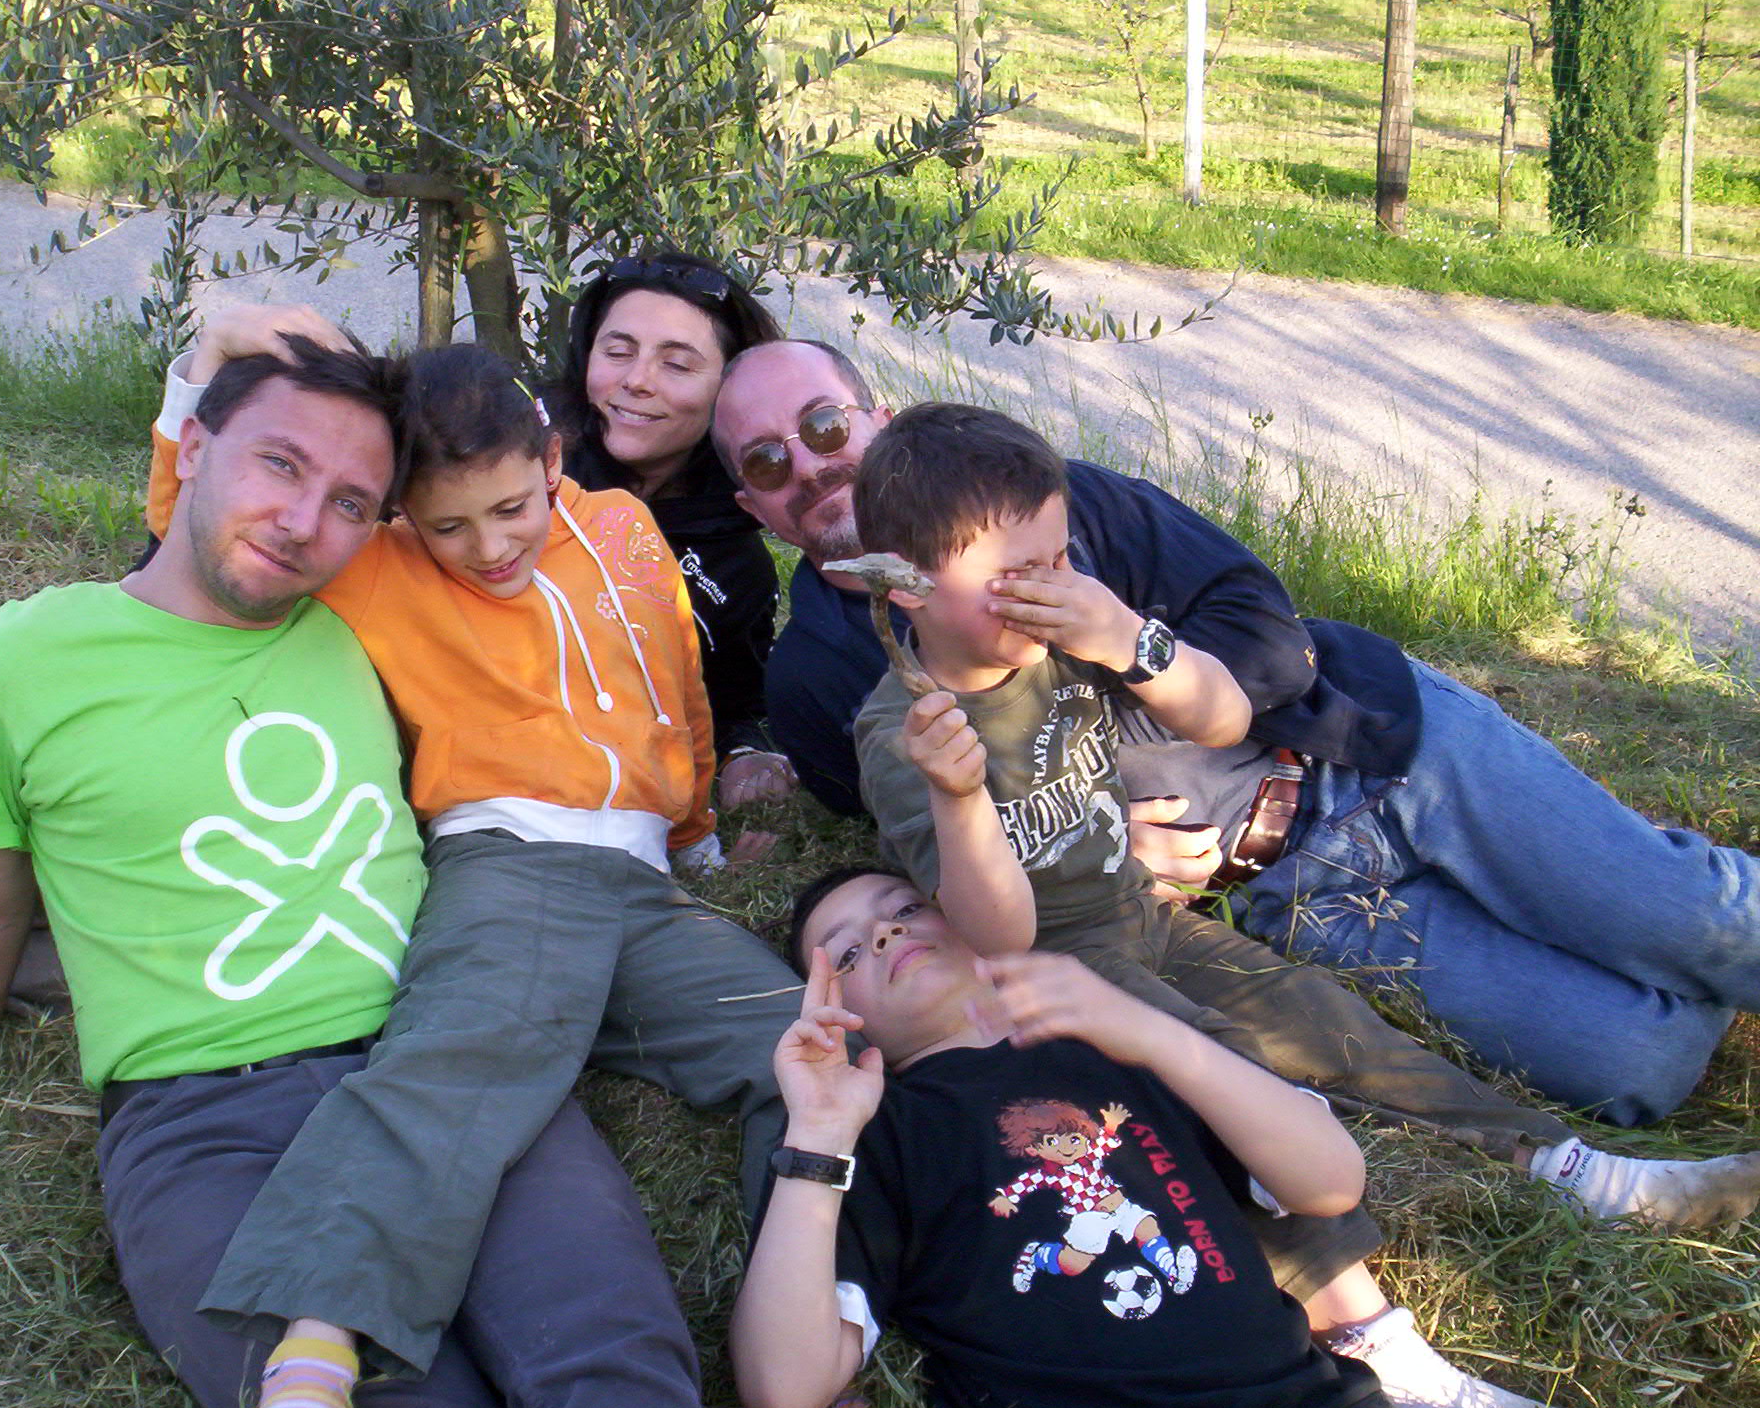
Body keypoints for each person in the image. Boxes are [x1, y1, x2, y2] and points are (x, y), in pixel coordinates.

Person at [0, 333, 726, 1408]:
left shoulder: (365, 623)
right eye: (280, 464)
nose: (303, 521)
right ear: (193, 444)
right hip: (202, 1120)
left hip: (438, 1056)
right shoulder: (9, 665)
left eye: (350, 501)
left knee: (623, 1387)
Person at [708, 338, 1756, 1126]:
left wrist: (1131, 640)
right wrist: (1094, 851)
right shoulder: (817, 683)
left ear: (877, 417)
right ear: (754, 506)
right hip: (1290, 895)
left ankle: (1650, 905)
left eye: (825, 425)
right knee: (1637, 1062)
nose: (809, 464)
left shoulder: (1049, 507)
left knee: (1700, 925)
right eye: (765, 459)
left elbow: (1272, 639)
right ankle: (1617, 926)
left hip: (1366, 754)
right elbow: (934, 855)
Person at [138, 319, 804, 1408]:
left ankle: (812, 1343)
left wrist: (693, 835)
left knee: (799, 1050)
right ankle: (313, 1355)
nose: (488, 545)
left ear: (550, 459)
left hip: (643, 882)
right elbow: (188, 528)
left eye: (509, 509)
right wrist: (196, 374)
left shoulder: (622, 526)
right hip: (512, 860)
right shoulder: (382, 566)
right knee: (463, 1059)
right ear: (405, 511)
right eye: (448, 524)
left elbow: (675, 688)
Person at [735, 867, 1461, 1408]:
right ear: (836, 1010)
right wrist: (818, 1133)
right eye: (847, 954)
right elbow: (784, 1387)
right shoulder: (871, 1131)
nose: (885, 933)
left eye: (904, 908)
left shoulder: (1111, 1043)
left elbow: (1331, 1184)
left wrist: (1146, 1032)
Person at [553, 250, 800, 809]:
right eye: (617, 352)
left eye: (678, 365)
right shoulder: (521, 470)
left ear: (729, 392)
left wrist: (745, 754)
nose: (636, 380)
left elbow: (736, 701)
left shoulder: (736, 564)